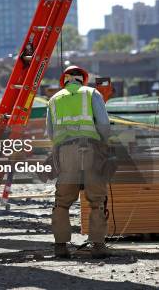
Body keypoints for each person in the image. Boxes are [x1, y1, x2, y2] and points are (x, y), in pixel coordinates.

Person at [46, 65, 111, 259]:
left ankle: (60, 247)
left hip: (66, 152)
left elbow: (50, 132)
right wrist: (104, 144)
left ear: (65, 80)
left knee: (62, 201)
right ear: (82, 79)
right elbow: (104, 124)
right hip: (91, 149)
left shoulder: (54, 99)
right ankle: (98, 246)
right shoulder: (92, 93)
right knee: (96, 200)